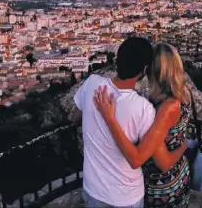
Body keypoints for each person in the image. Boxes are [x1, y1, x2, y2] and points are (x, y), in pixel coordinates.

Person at [72, 38, 187, 208]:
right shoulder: (143, 108)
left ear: (117, 60)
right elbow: (138, 160)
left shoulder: (92, 84)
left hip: (92, 189)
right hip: (125, 196)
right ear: (144, 70)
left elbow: (75, 118)